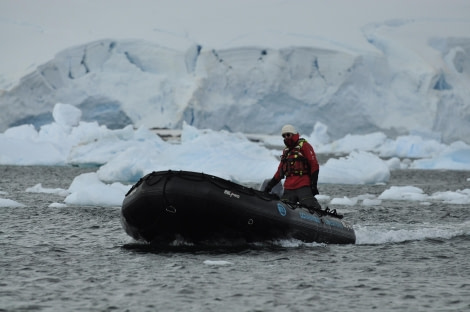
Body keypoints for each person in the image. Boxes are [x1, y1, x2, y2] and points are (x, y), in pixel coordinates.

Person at [264, 124, 322, 213]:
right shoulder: (286, 151)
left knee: (311, 209)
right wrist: (269, 186)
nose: (286, 137)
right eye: (284, 136)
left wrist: (313, 185)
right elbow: (280, 171)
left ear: (293, 134)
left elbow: (314, 165)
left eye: (288, 135)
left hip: (303, 185)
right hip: (289, 188)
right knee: (283, 210)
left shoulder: (304, 146)